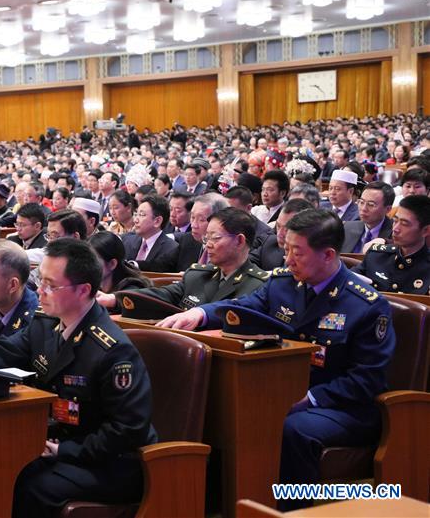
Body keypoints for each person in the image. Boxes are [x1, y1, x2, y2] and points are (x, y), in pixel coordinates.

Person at [157, 209, 394, 510]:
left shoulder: (366, 305)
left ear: (328, 254)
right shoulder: (282, 283)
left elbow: (367, 379)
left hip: (340, 405)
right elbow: (241, 307)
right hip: (278, 391)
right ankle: (231, 504)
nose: (288, 260)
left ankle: (293, 511)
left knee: (289, 426)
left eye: (298, 253)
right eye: (286, 250)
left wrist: (308, 397)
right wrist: (200, 313)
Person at [0, 238, 157, 516]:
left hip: (111, 463)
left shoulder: (112, 351)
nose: (41, 292)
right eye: (41, 282)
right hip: (57, 442)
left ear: (84, 290)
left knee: (28, 484)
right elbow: (2, 350)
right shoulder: (46, 324)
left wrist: (64, 451)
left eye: (51, 285)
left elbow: (126, 431)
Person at [118, 208, 269, 309]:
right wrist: (117, 298)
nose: (208, 245)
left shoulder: (259, 285)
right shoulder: (197, 275)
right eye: (206, 238)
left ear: (240, 241)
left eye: (215, 238)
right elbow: (161, 295)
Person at [351, 194, 430, 294]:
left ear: (426, 230)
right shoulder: (376, 255)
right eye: (395, 221)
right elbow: (349, 281)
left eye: (404, 224)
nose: (395, 229)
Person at [250, 199, 312, 270]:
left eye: (287, 229)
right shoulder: (269, 243)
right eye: (278, 226)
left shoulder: (315, 255)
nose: (279, 234)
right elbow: (244, 267)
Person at [122, 195, 178, 273]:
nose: (135, 220)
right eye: (136, 214)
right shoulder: (127, 241)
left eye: (142, 215)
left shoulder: (171, 248)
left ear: (157, 221)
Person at [342, 182, 394, 253]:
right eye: (361, 202)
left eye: (371, 205)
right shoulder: (347, 227)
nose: (363, 209)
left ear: (388, 209)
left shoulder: (396, 233)